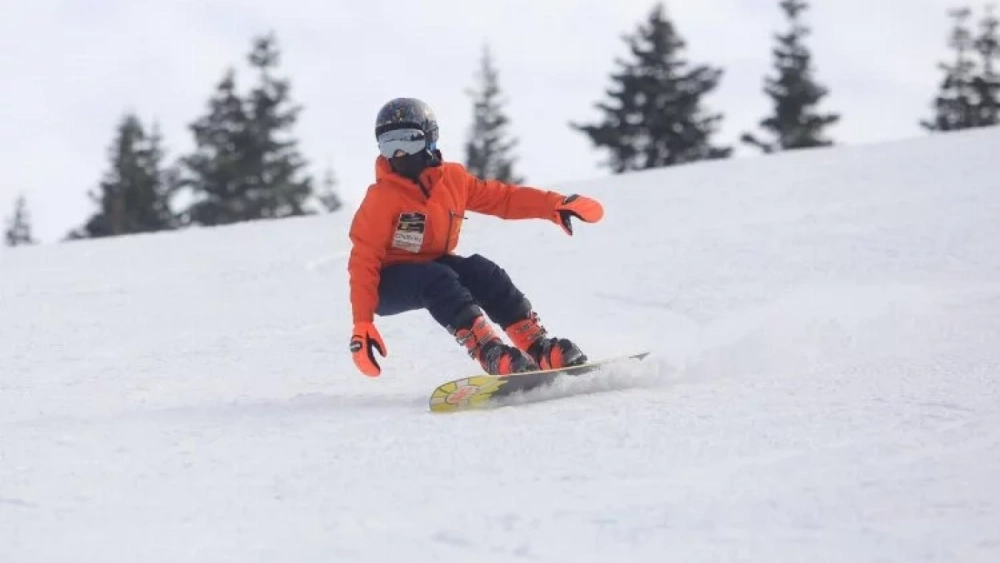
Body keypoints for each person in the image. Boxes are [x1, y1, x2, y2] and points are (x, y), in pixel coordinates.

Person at [348, 97, 605, 378]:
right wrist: (362, 323)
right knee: (437, 278)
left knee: (482, 271)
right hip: (385, 283)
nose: (398, 154)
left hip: (434, 265)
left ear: (430, 139)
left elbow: (503, 199)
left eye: (408, 140)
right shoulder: (381, 198)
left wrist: (554, 205)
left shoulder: (454, 180)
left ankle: (538, 346)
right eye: (388, 144)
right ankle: (490, 352)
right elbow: (363, 259)